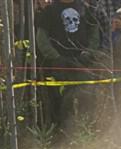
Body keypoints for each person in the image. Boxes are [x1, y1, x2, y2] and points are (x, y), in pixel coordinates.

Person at [36, 0, 102, 131]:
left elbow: (95, 33)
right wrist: (56, 57)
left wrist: (88, 53)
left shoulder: (85, 8)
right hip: (59, 67)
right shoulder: (49, 11)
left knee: (87, 99)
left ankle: (87, 133)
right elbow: (41, 38)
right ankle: (61, 135)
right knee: (61, 104)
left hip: (83, 64)